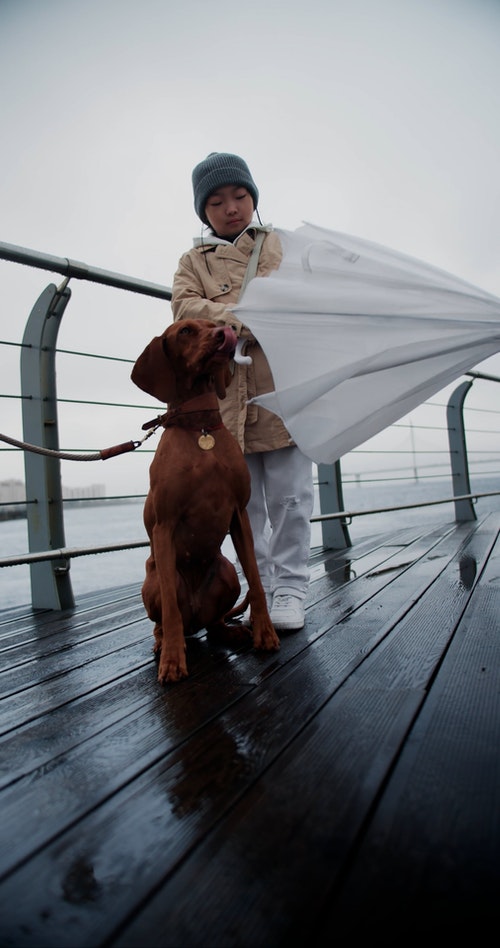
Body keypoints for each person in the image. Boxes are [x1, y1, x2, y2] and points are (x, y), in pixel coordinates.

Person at [171, 152, 314, 630]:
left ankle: (292, 587)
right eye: (216, 201)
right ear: (203, 210)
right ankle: (265, 589)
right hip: (225, 398)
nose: (231, 207)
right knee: (244, 504)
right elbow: (183, 309)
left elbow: (296, 295)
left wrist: (222, 313)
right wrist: (246, 316)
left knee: (292, 496)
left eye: (240, 196)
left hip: (284, 384)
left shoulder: (279, 245)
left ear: (253, 198)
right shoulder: (192, 261)